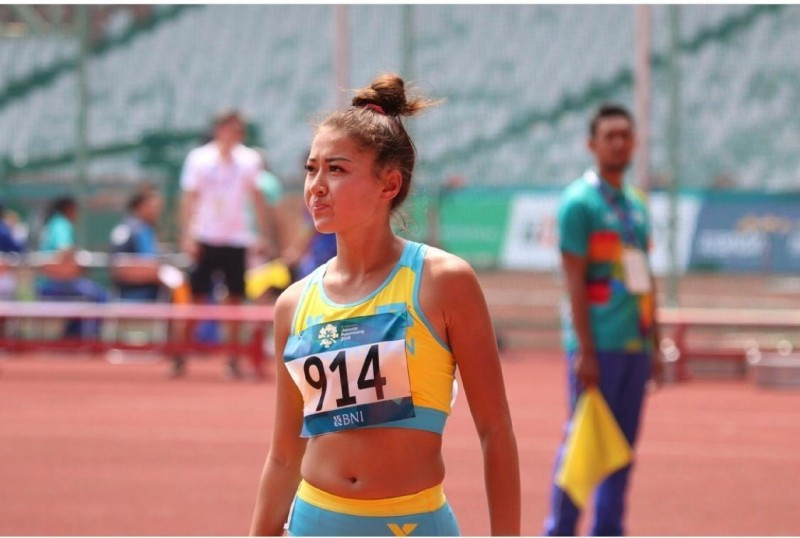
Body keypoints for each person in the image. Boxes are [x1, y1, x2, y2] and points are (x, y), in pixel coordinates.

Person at [249, 74, 520, 536]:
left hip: (414, 523)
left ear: (389, 184)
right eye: (312, 169)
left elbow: (495, 431)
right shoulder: (293, 304)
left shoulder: (443, 282)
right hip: (314, 522)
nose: (316, 185)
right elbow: (284, 456)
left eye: (336, 170)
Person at [544, 104, 664, 536]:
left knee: (622, 449)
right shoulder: (579, 203)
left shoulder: (638, 205)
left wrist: (655, 342)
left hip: (634, 345)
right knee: (582, 444)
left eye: (625, 135)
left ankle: (609, 530)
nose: (618, 143)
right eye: (609, 136)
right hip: (598, 346)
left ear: (634, 143)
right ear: (592, 144)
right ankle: (560, 530)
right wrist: (585, 351)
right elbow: (573, 281)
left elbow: (646, 276)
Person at [178, 110, 276, 379]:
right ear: (218, 129)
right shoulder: (198, 158)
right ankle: (180, 354)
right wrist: (187, 236)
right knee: (196, 299)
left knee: (234, 301)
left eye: (239, 130)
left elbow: (257, 198)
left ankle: (233, 358)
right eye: (231, 128)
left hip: (236, 239)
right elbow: (189, 198)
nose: (236, 134)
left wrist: (263, 235)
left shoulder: (249, 159)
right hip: (204, 238)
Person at [37, 196, 108, 338]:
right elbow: (65, 251)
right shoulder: (61, 224)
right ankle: (81, 339)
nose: (78, 215)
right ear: (69, 209)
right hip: (55, 284)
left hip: (49, 283)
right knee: (99, 297)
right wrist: (79, 258)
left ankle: (72, 337)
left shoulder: (52, 223)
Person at [109, 188, 164, 301]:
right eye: (153, 207)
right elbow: (120, 268)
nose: (157, 212)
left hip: (149, 299)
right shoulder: (129, 230)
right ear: (140, 206)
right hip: (132, 300)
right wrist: (157, 272)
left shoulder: (147, 231)